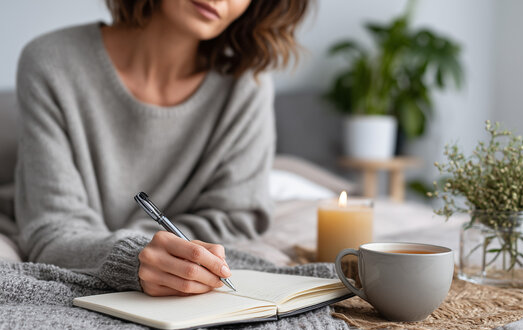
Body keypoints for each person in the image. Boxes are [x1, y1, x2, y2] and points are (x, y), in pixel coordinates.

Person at [15, 0, 309, 296]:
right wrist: (134, 257)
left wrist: (160, 255)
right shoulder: (52, 61)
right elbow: (52, 229)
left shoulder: (246, 86)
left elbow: (235, 218)